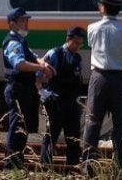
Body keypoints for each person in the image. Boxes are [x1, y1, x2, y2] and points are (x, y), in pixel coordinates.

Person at [81, 0, 122, 171]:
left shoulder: (92, 28)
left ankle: (88, 166)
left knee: (92, 122)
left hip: (98, 78)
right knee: (120, 125)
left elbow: (93, 46)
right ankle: (120, 166)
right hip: (119, 79)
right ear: (118, 9)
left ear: (102, 8)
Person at [2, 7, 54, 170]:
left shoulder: (21, 41)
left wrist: (42, 63)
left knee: (22, 127)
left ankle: (17, 162)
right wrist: (43, 69)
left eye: (27, 20)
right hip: (17, 88)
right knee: (17, 126)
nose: (26, 24)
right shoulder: (12, 42)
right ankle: (11, 165)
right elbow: (19, 64)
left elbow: (33, 56)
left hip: (24, 89)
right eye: (23, 21)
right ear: (12, 24)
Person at [37, 26, 86, 166]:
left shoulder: (77, 58)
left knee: (73, 137)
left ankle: (72, 166)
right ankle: (45, 166)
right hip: (56, 101)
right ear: (67, 39)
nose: (78, 46)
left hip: (71, 103)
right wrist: (42, 92)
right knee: (51, 135)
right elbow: (39, 76)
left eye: (80, 44)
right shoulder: (54, 54)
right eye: (76, 43)